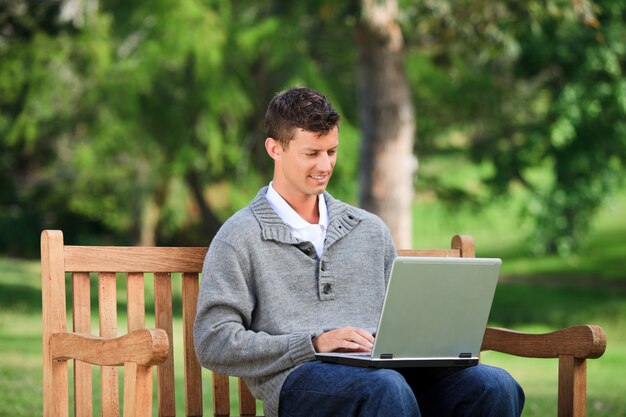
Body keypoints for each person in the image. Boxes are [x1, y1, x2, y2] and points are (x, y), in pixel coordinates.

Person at [194, 86, 525, 417]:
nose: (325, 165)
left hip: (386, 373)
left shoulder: (369, 230)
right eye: (312, 153)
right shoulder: (240, 237)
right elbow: (214, 341)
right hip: (301, 379)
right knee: (384, 388)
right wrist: (312, 343)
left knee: (493, 386)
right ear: (274, 149)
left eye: (332, 151)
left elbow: (400, 319)